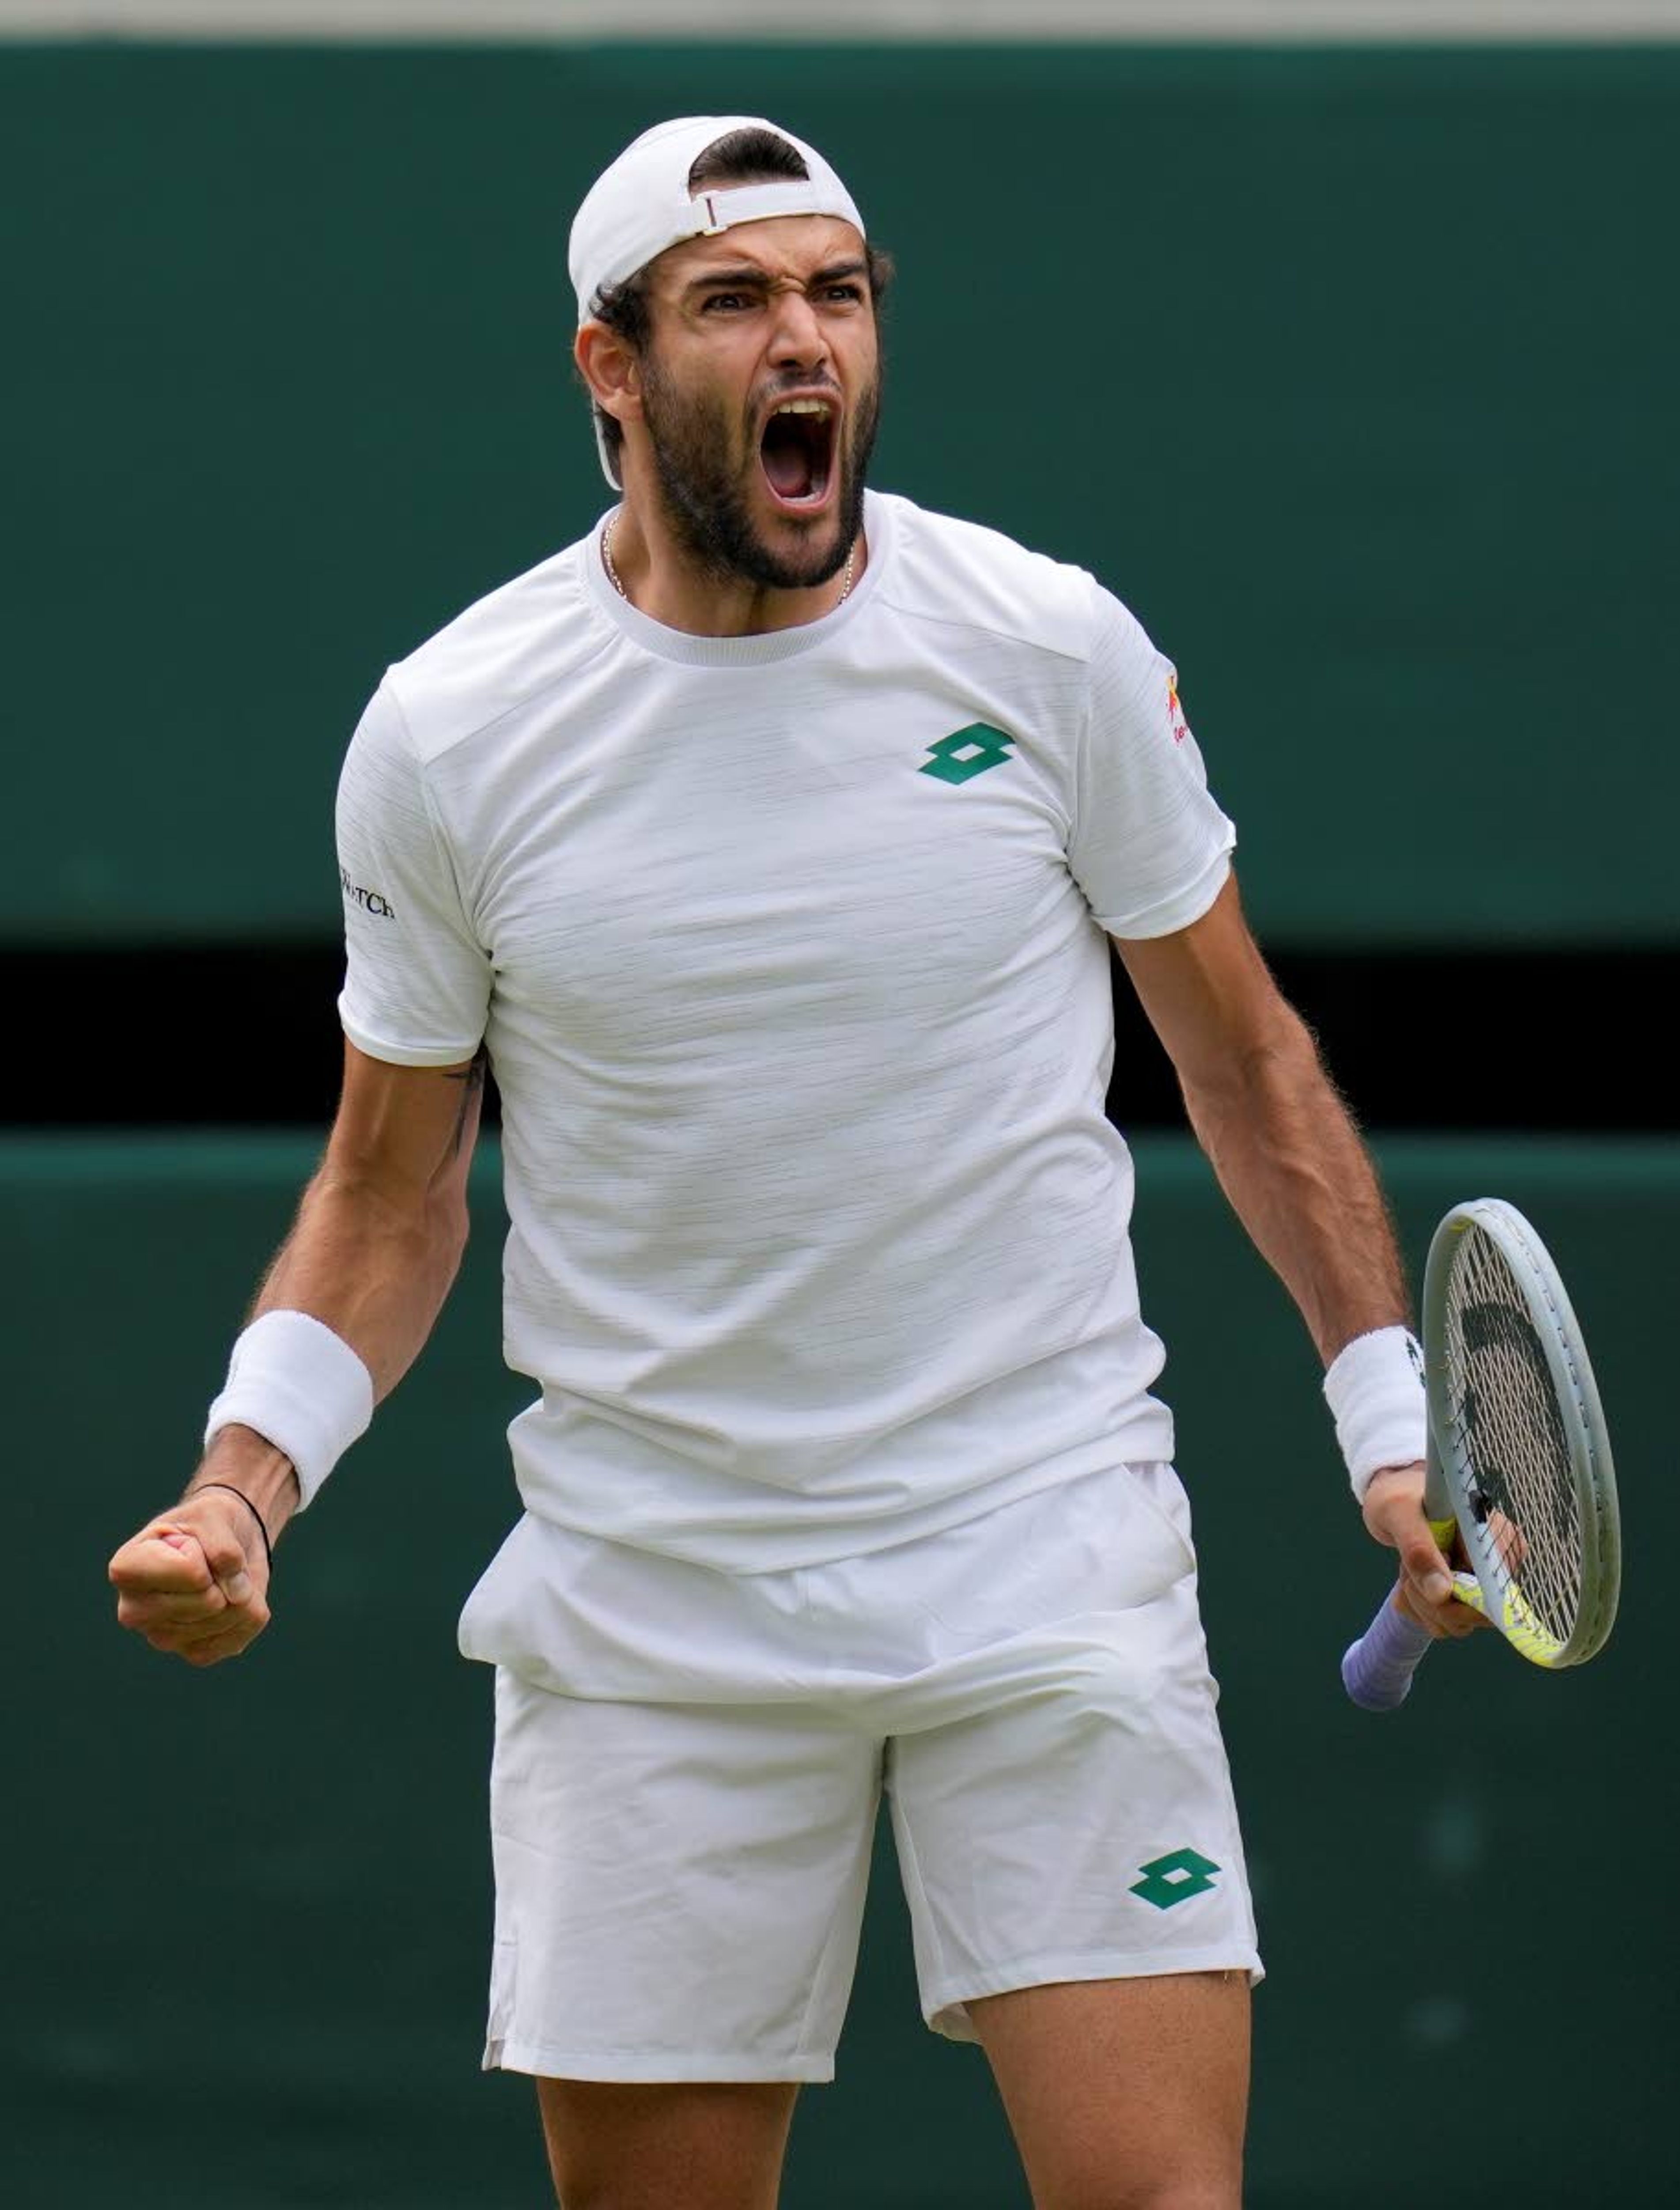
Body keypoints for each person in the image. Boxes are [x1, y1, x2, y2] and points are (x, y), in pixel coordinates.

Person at [108, 114, 1483, 2210]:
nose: (805, 339)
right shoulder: (451, 732)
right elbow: (393, 1193)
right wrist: (244, 1481)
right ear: (609, 365)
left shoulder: (1046, 649)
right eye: (739, 299)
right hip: (655, 1597)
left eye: (839, 293)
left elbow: (1246, 1061)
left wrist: (1389, 1420)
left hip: (1045, 1547)